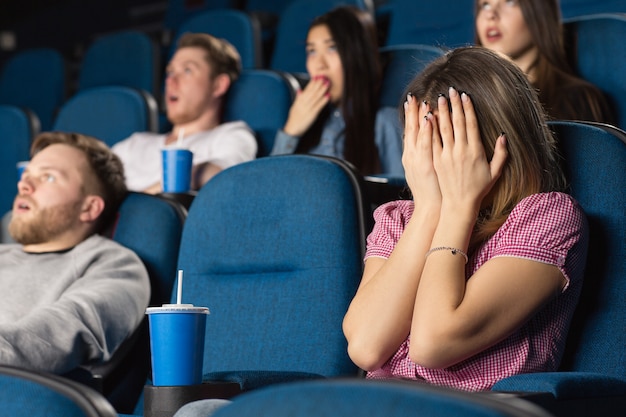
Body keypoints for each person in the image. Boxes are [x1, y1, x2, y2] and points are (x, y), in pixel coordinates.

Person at [342, 47, 589, 391]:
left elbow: (433, 344)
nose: (432, 155)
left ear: (495, 143)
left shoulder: (546, 216)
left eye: (447, 140)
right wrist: (428, 208)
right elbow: (366, 348)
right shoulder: (399, 219)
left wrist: (459, 207)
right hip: (382, 403)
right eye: (420, 138)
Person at [0, 131, 150, 374]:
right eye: (26, 175)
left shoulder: (115, 265)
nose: (23, 185)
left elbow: (62, 334)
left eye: (48, 177)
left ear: (89, 208)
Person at [113, 32, 257, 193]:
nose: (170, 81)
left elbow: (228, 177)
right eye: (170, 72)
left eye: (187, 70)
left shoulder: (231, 135)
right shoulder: (133, 144)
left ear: (218, 85)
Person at [271, 6, 404, 177]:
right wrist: (291, 131)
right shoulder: (305, 124)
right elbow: (271, 190)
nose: (319, 64)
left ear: (358, 55)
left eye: (332, 48)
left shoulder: (384, 123)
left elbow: (403, 200)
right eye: (312, 51)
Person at [474, 0, 613, 123]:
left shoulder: (578, 101)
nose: (490, 15)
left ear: (540, 12)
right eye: (485, 5)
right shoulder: (466, 101)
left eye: (510, 2)